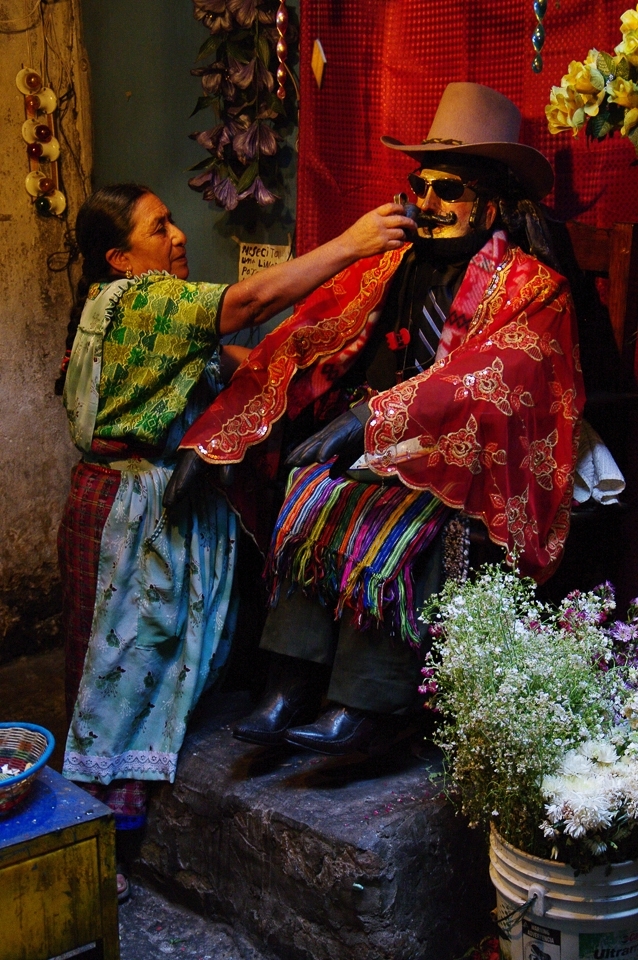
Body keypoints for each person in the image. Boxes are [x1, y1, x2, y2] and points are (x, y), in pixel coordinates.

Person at [168, 83, 585, 759]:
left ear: (494, 200)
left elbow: (502, 373)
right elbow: (305, 335)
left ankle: (363, 699)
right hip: (379, 443)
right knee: (312, 495)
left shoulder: (535, 286)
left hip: (471, 453)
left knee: (392, 521)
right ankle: (290, 681)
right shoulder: (393, 264)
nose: (427, 204)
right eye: (421, 185)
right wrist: (224, 428)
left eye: (448, 189)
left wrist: (374, 415)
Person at [56, 182, 415, 897]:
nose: (179, 235)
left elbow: (240, 365)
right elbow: (248, 305)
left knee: (113, 666)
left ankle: (100, 842)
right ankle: (98, 857)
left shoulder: (107, 311)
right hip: (136, 512)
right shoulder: (143, 300)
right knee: (125, 672)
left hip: (104, 500)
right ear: (120, 257)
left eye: (173, 222)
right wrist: (352, 244)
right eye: (159, 229)